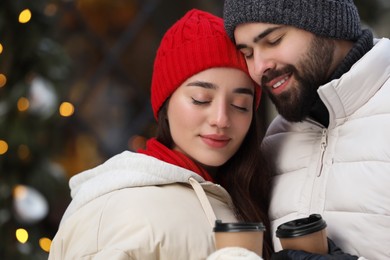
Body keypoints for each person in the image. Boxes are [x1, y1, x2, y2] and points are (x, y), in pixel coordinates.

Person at [48, 9, 274, 260]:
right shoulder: (117, 211)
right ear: (165, 104)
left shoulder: (251, 195)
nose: (221, 119)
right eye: (201, 100)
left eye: (240, 105)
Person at [223, 0, 390, 259]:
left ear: (327, 24)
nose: (259, 67)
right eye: (247, 53)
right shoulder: (275, 140)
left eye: (274, 40)